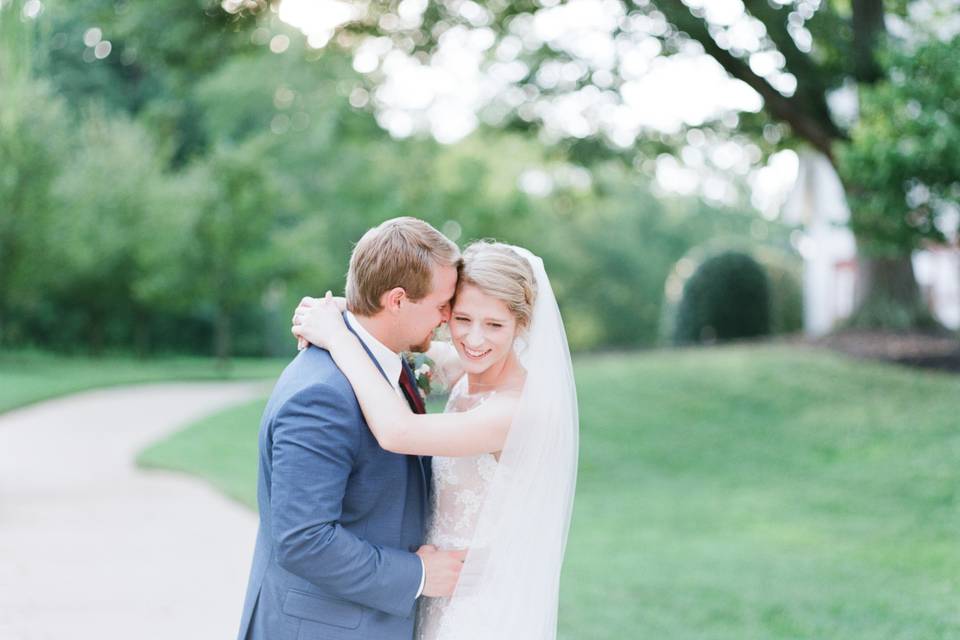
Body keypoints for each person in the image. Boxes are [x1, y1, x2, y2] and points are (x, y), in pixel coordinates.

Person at [292, 240, 579, 639]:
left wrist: (337, 338)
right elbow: (398, 320)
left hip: (478, 606)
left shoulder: (516, 409)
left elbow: (398, 431)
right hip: (433, 590)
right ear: (445, 312)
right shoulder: (465, 368)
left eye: (495, 325)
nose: (474, 339)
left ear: (522, 324)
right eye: (463, 318)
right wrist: (335, 309)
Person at [237, 217, 468, 640]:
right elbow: (304, 540)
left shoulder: (381, 360)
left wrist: (340, 309)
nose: (447, 317)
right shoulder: (320, 396)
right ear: (397, 300)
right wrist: (417, 575)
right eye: (441, 305)